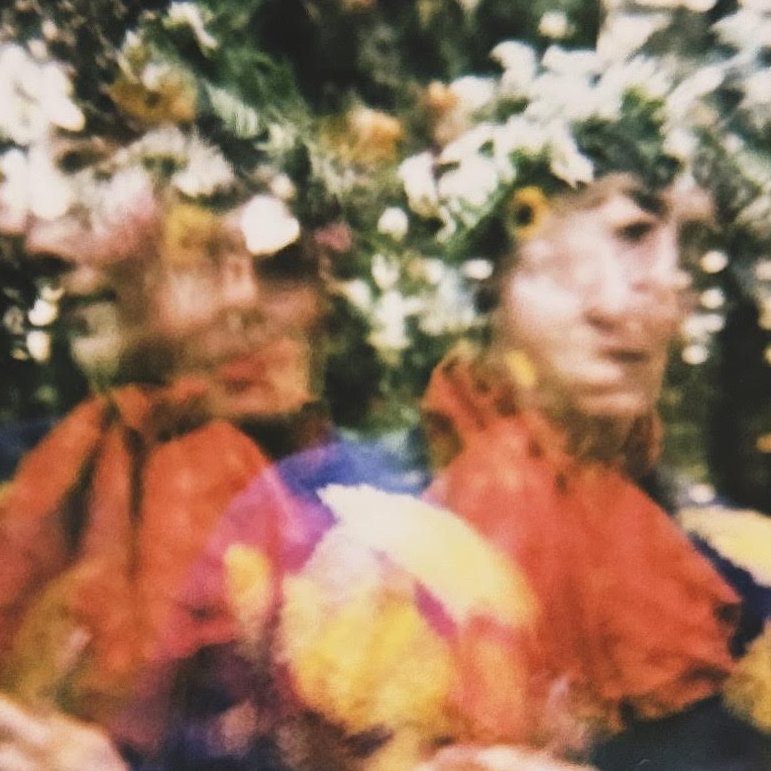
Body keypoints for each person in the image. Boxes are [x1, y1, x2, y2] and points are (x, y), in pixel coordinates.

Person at [418, 173, 771, 768]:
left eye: (690, 245)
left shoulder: (732, 565)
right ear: (500, 266)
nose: (666, 284)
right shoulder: (344, 524)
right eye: (632, 232)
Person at [0, 176, 332, 767]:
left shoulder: (324, 496)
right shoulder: (64, 457)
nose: (244, 301)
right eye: (206, 264)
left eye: (276, 270)